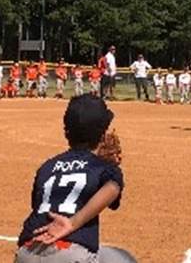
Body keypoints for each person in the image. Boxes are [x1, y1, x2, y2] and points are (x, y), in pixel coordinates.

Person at [13, 95, 135, 263]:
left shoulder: (47, 167)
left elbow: (37, 204)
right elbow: (113, 188)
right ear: (103, 135)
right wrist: (72, 223)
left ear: (66, 132)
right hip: (70, 254)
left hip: (26, 252)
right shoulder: (103, 167)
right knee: (124, 259)